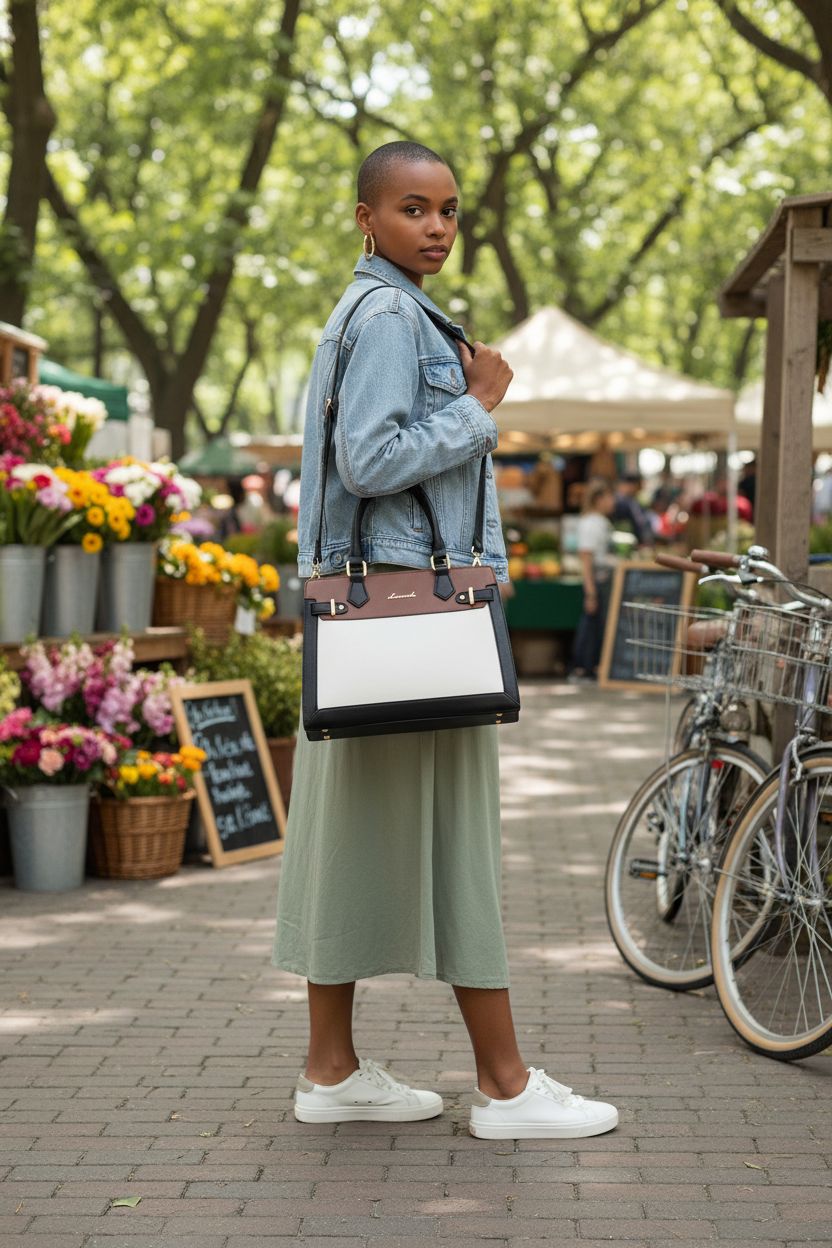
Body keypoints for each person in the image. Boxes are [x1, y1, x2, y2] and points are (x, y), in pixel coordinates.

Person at [271, 140, 618, 1140]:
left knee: (344, 840)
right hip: (416, 617)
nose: (436, 227)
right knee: (460, 842)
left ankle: (330, 1070)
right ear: (365, 218)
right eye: (413, 209)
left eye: (449, 211)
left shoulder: (373, 312)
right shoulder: (389, 317)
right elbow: (371, 458)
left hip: (370, 618)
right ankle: (505, 1087)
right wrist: (477, 406)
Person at [569, 479, 617, 681]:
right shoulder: (591, 524)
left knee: (595, 624)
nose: (613, 501)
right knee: (591, 624)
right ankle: (581, 668)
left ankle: (590, 667)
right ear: (599, 499)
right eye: (609, 496)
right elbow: (586, 558)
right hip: (597, 581)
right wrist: (590, 591)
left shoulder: (599, 522)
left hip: (602, 581)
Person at [613, 471, 653, 546]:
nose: (639, 489)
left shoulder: (633, 501)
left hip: (635, 542)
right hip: (623, 543)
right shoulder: (618, 502)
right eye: (637, 486)